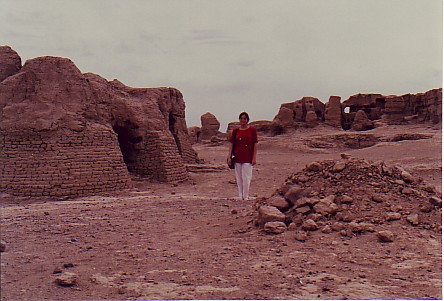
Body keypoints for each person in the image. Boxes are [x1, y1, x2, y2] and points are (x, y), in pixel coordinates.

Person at [227, 112, 258, 200]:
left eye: (244, 118)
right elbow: (231, 144)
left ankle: (246, 195)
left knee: (246, 177)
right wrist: (229, 156)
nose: (242, 120)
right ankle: (240, 195)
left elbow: (255, 144)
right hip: (237, 156)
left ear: (247, 120)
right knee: (239, 177)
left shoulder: (252, 130)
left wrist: (254, 157)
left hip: (248, 157)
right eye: (241, 118)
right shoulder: (236, 131)